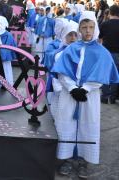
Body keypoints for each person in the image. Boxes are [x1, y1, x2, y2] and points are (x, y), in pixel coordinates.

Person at [51, 11, 119, 178]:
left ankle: (83, 160)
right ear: (79, 28)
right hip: (70, 94)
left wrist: (86, 88)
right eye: (84, 27)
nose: (88, 31)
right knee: (67, 124)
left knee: (88, 124)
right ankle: (66, 159)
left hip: (90, 95)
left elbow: (102, 73)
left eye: (91, 27)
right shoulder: (70, 49)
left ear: (96, 28)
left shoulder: (102, 52)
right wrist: (73, 88)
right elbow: (62, 72)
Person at [99, 5, 119, 104]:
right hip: (118, 53)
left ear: (110, 12)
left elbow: (99, 38)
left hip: (106, 52)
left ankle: (105, 96)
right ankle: (113, 97)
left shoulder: (105, 24)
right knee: (116, 75)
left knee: (105, 74)